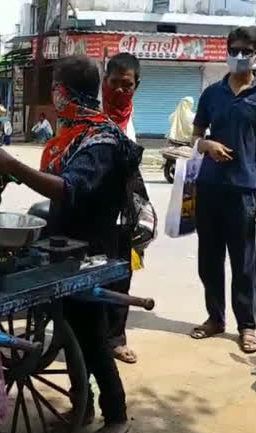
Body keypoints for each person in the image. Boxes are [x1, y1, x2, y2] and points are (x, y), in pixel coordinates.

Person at [0, 56, 142, 433]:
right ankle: (83, 407)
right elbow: (55, 185)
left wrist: (13, 164)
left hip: (92, 251)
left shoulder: (101, 140)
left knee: (92, 338)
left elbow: (69, 189)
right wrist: (4, 170)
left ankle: (116, 416)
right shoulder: (73, 133)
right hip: (62, 244)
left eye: (56, 88)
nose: (54, 96)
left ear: (65, 92)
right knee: (72, 334)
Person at [189, 26, 256, 354]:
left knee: (243, 262)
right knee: (209, 260)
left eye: (246, 51)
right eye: (234, 49)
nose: (239, 56)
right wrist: (207, 144)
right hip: (208, 188)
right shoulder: (211, 94)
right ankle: (215, 318)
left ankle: (247, 326)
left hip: (242, 190)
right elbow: (194, 138)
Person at [101, 52, 146, 365]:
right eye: (114, 83)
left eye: (126, 85)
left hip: (124, 214)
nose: (119, 91)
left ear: (136, 86)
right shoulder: (91, 112)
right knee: (91, 275)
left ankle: (116, 338)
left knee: (122, 275)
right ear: (104, 81)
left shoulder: (131, 118)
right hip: (92, 211)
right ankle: (88, 336)